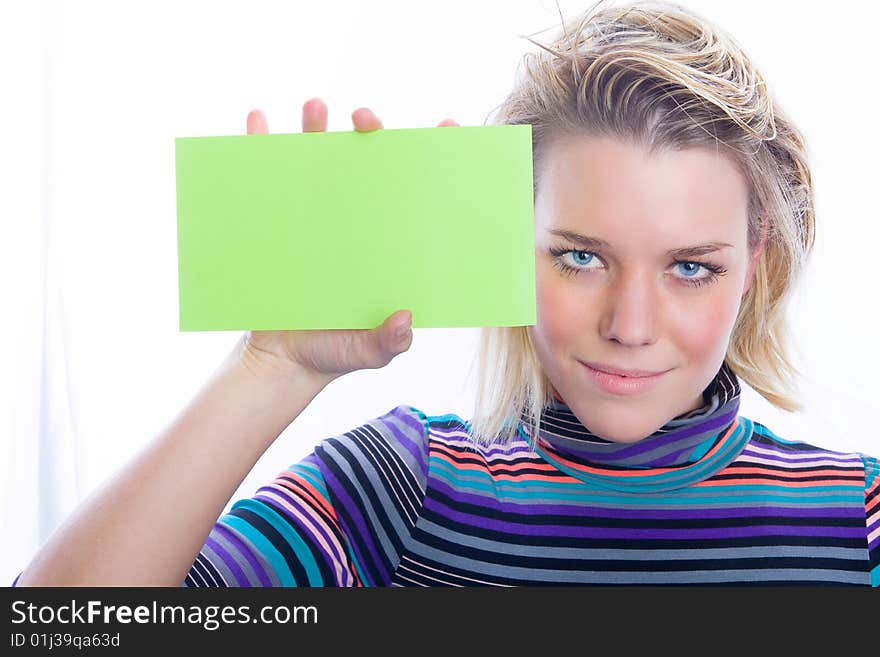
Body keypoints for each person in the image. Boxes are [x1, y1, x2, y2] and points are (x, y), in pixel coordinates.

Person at [14, 0, 879, 587]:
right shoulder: (401, 488)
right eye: (581, 258)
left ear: (756, 261)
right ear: (510, 239)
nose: (631, 325)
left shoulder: (860, 521)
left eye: (691, 268)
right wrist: (270, 365)